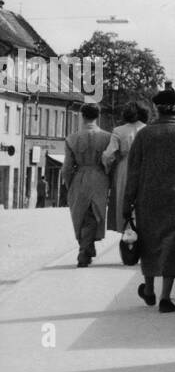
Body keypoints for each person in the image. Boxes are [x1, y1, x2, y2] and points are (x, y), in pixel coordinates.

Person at [123, 84, 175, 313]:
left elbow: (134, 173)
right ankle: (166, 298)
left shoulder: (144, 134)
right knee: (173, 246)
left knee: (149, 244)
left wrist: (126, 204)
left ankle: (148, 289)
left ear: (157, 109)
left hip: (148, 199)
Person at [64, 102, 112, 266]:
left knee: (81, 215)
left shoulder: (72, 138)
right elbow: (111, 162)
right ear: (98, 116)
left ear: (82, 116)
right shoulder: (107, 137)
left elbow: (67, 168)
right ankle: (87, 248)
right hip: (100, 178)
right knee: (94, 214)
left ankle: (84, 251)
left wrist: (68, 185)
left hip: (79, 177)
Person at [102, 101, 145, 236]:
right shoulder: (147, 129)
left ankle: (126, 231)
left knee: (123, 199)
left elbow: (108, 155)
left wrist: (107, 169)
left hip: (124, 167)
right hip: (144, 167)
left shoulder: (119, 130)